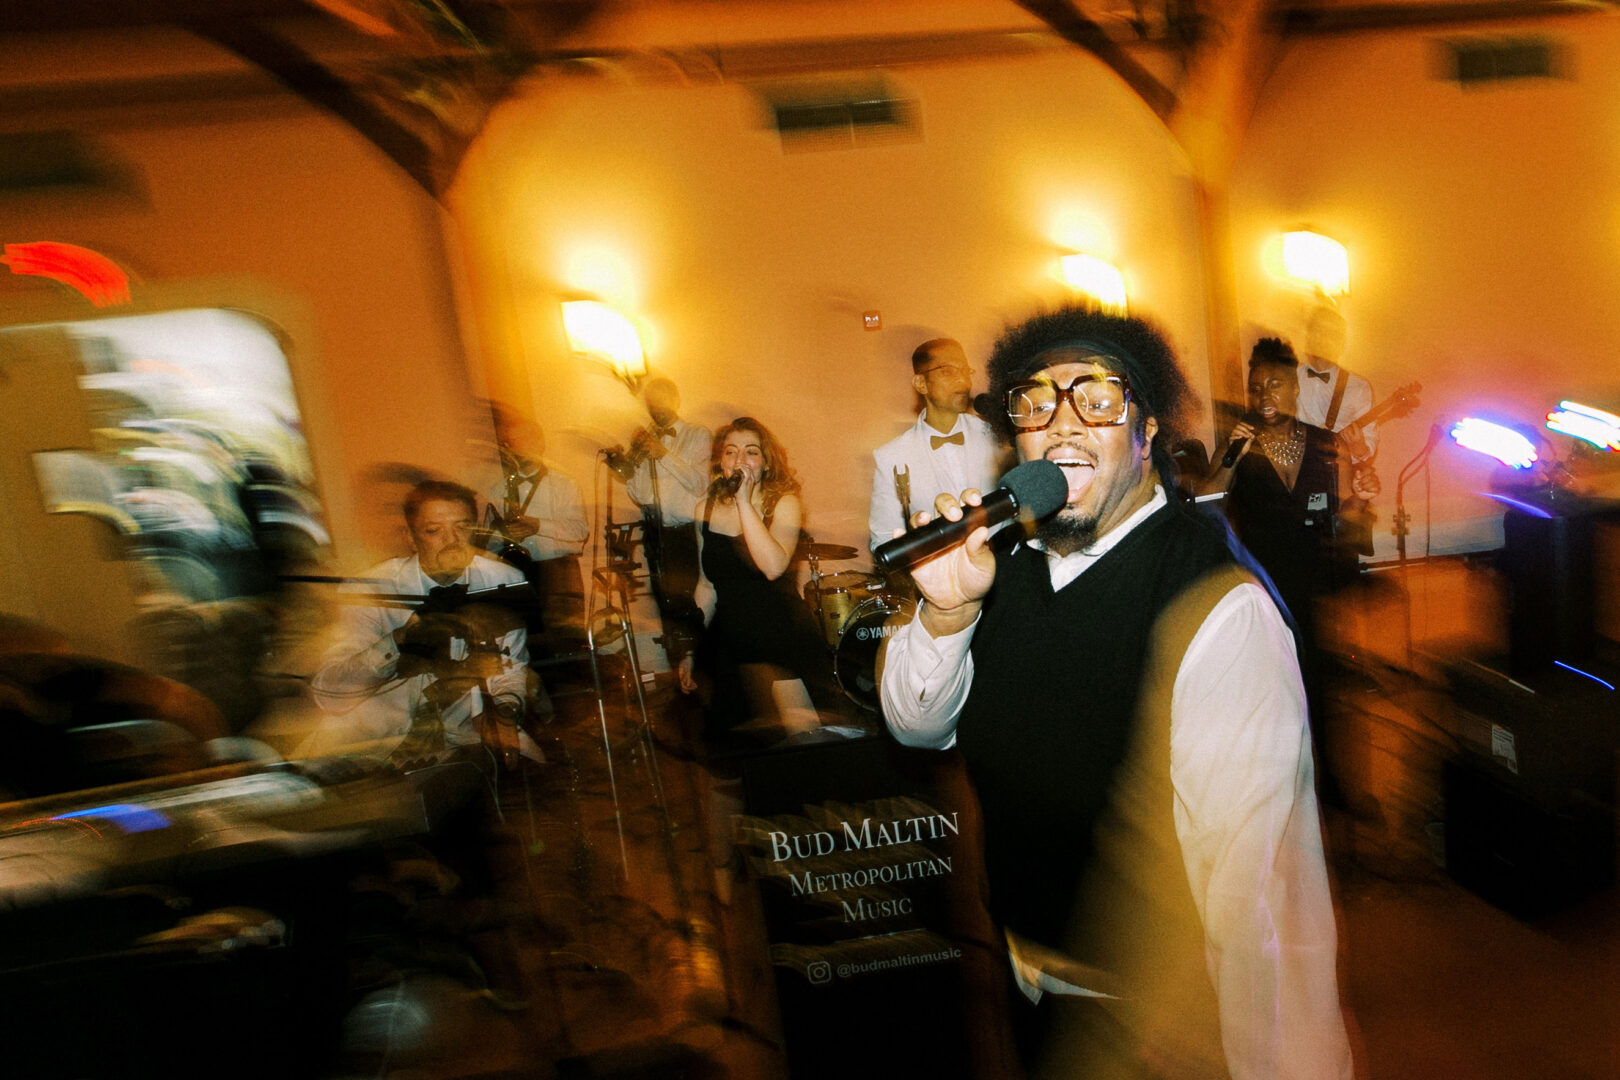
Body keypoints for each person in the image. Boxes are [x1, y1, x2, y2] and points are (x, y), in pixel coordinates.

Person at [879, 307, 1353, 1079]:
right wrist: (946, 610)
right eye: (1034, 403)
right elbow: (915, 727)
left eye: (1096, 399)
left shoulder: (1216, 606)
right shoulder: (997, 566)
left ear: (1147, 430)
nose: (1061, 423)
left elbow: (1259, 909)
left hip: (1158, 1033)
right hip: (1031, 998)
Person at [308, 480, 543, 765]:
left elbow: (512, 668)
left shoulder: (503, 581)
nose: (453, 541)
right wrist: (398, 643)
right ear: (410, 537)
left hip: (465, 731)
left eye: (463, 527)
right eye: (434, 531)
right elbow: (329, 696)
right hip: (375, 741)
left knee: (535, 768)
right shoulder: (369, 590)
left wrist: (505, 710)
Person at [678, 417, 833, 740]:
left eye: (751, 452)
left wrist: (744, 504)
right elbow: (707, 586)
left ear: (765, 463)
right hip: (730, 641)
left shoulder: (785, 504)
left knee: (803, 742)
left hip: (779, 635)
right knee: (735, 756)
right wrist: (692, 649)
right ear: (721, 462)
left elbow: (773, 565)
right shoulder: (703, 509)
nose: (740, 461)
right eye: (731, 452)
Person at [868, 338, 1004, 553]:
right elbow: (883, 543)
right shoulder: (890, 457)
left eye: (965, 371)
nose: (964, 382)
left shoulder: (995, 435)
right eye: (948, 371)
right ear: (921, 384)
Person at [609, 377, 711, 662]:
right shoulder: (646, 443)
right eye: (651, 403)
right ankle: (680, 677)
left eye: (662, 400)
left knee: (696, 606)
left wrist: (662, 453)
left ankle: (704, 670)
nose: (657, 408)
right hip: (656, 535)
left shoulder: (697, 434)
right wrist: (629, 466)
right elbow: (640, 495)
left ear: (675, 400)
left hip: (688, 534)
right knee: (668, 611)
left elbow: (699, 483)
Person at [486, 409, 588, 642]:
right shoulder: (498, 490)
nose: (521, 446)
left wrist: (538, 526)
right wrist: (502, 537)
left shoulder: (565, 484)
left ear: (540, 442)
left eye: (527, 438)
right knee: (529, 645)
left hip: (559, 572)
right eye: (514, 442)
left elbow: (580, 532)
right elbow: (489, 544)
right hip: (518, 574)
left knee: (567, 643)